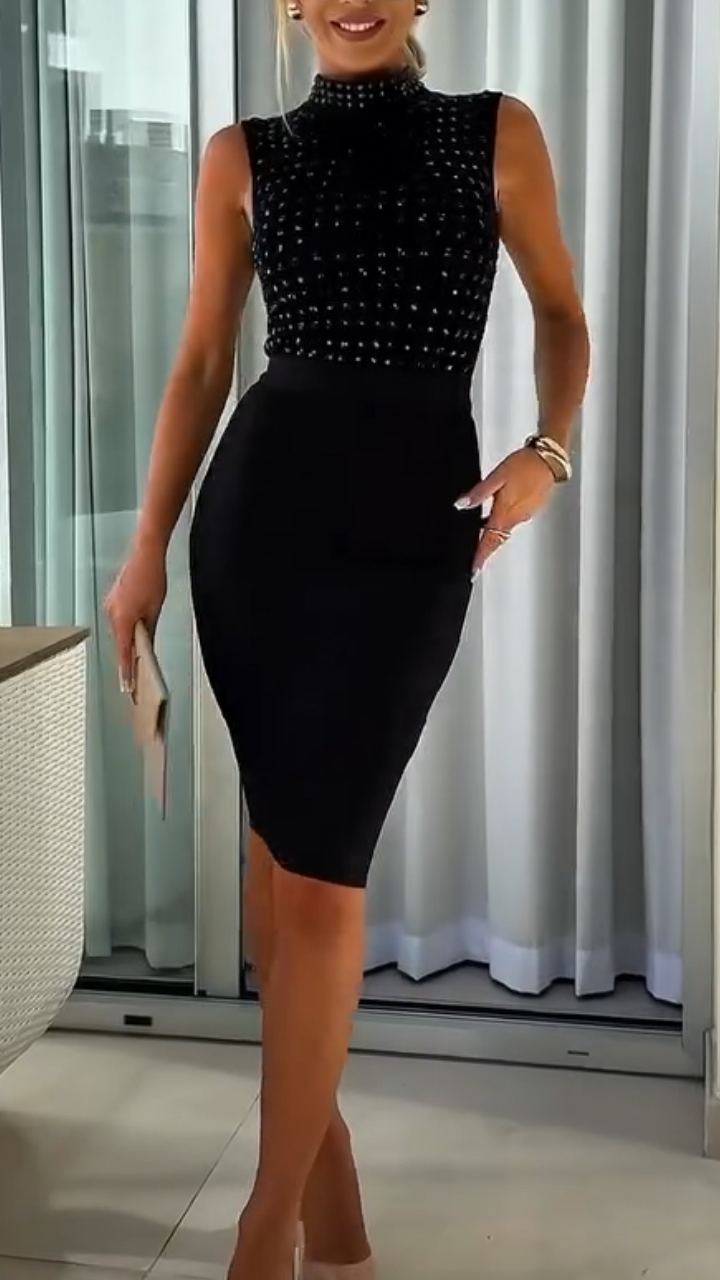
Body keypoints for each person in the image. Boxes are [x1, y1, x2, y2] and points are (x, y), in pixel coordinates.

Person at [105, 2, 590, 1277]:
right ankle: (332, 1208)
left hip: (409, 539)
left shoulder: (496, 134)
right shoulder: (243, 153)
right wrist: (147, 548)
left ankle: (260, 1233)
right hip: (257, 525)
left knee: (320, 875)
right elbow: (201, 361)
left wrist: (548, 450)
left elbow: (561, 312)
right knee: (278, 877)